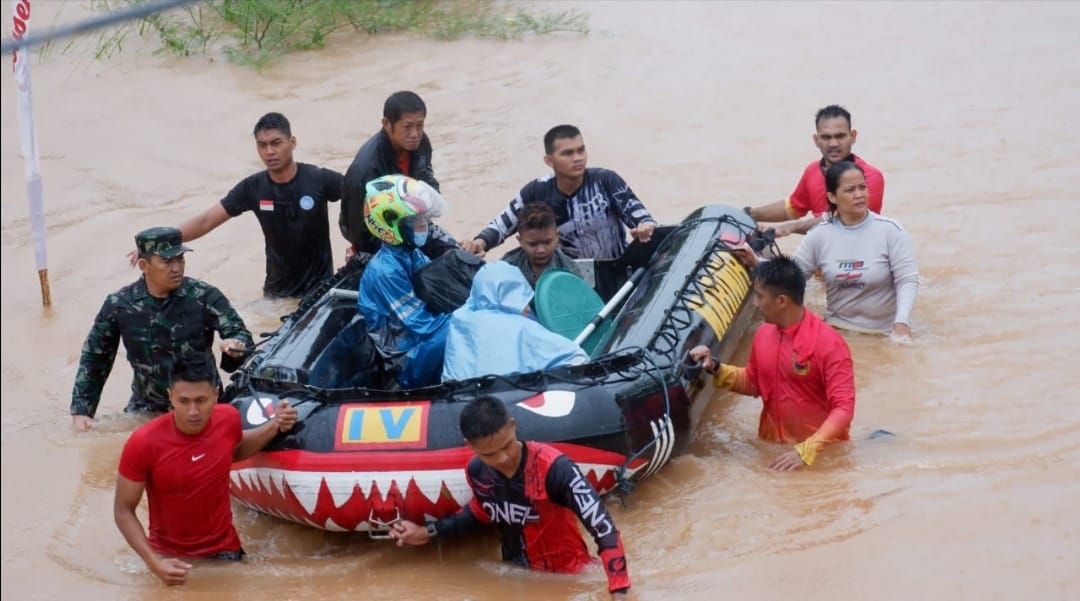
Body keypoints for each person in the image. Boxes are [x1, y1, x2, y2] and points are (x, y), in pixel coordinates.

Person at [389, 396, 631, 600]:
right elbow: (479, 512)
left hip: (570, 579)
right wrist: (426, 532)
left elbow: (603, 528)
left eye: (506, 446)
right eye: (490, 454)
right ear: (469, 446)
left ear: (513, 426)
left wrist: (619, 590)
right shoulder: (477, 471)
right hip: (515, 578)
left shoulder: (555, 468)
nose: (503, 459)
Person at [113, 353, 298, 586]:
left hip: (225, 553)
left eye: (201, 401)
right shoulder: (143, 442)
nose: (192, 411)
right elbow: (123, 510)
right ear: (170, 396)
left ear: (215, 395)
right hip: (170, 559)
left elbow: (235, 451)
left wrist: (275, 425)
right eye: (183, 401)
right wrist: (153, 563)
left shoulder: (229, 418)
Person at [142, 112, 344, 299]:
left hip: (320, 291)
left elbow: (364, 196)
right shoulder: (252, 187)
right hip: (276, 293)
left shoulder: (319, 179)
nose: (269, 152)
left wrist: (357, 244)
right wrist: (159, 241)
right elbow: (206, 221)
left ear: (292, 143)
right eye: (262, 145)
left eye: (276, 143)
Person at [72, 227, 252, 431]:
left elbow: (240, 334)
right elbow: (95, 357)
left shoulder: (204, 296)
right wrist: (82, 412)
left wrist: (235, 345)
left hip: (201, 405)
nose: (177, 268)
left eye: (180, 259)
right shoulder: (120, 305)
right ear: (143, 265)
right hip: (148, 408)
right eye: (167, 262)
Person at [689, 255, 855, 471]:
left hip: (820, 459)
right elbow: (754, 382)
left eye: (759, 296)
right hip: (772, 450)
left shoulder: (830, 344)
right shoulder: (763, 334)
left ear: (782, 301)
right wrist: (715, 367)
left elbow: (844, 408)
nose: (755, 303)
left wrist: (808, 449)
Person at [741, 162, 919, 338]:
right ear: (832, 197)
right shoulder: (819, 235)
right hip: (837, 330)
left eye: (862, 187)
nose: (859, 195)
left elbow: (907, 279)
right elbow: (792, 276)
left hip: (885, 333)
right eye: (850, 190)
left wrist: (902, 323)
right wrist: (755, 261)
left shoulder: (891, 230)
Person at [460, 124, 657, 260]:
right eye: (567, 153)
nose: (577, 158)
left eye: (581, 150)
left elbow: (640, 216)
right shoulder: (536, 191)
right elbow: (502, 224)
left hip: (617, 269)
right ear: (549, 160)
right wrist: (480, 242)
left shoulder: (606, 180)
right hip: (567, 279)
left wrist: (645, 226)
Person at [357, 175, 452, 388]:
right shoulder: (385, 271)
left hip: (421, 341)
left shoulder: (411, 254)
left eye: (422, 219)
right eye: (415, 221)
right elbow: (423, 325)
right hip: (406, 361)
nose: (423, 225)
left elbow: (438, 286)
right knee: (460, 326)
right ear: (391, 225)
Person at [340, 91, 457, 260]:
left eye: (420, 125)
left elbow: (428, 182)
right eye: (407, 126)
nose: (415, 134)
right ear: (387, 124)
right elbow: (357, 228)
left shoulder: (421, 144)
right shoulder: (367, 167)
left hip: (412, 222)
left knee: (456, 253)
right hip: (376, 235)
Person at [746, 105, 885, 237]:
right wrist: (748, 214)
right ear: (816, 140)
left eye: (840, 136)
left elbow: (844, 219)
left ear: (853, 136)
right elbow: (794, 207)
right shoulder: (812, 170)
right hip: (820, 253)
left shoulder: (869, 177)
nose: (833, 144)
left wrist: (791, 227)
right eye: (826, 137)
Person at [442, 262, 589, 381]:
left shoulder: (460, 320)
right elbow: (578, 358)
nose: (527, 309)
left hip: (461, 406)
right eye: (520, 298)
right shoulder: (522, 328)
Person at [500, 201, 583, 288]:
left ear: (557, 236)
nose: (541, 250)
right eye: (533, 244)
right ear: (520, 241)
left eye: (547, 242)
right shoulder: (506, 268)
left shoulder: (569, 271)